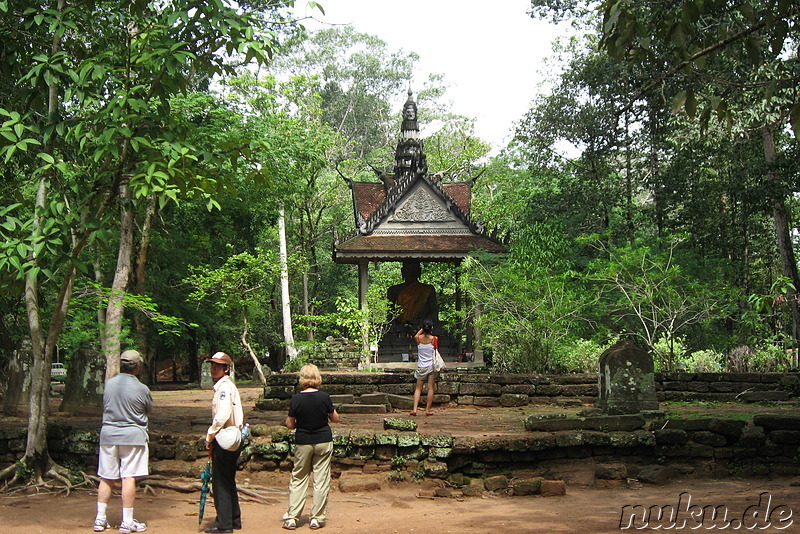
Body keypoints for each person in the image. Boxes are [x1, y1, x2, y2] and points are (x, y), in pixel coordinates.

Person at [93, 350, 153, 534]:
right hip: (133, 436)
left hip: (109, 435)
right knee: (129, 477)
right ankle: (127, 522)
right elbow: (148, 410)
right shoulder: (142, 389)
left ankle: (100, 519)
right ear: (137, 366)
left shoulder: (108, 385)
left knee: (106, 476)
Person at [283, 364, 340, 530]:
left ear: (302, 379)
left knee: (299, 478)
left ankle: (292, 517)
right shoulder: (324, 397)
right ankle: (317, 518)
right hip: (323, 439)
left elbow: (290, 424)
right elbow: (334, 418)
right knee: (321, 480)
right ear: (317, 379)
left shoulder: (296, 399)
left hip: (303, 441)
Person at [204, 352, 244, 534]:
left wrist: (210, 434)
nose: (214, 369)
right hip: (233, 437)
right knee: (228, 480)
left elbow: (222, 414)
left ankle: (224, 524)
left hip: (225, 437)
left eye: (218, 366)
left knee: (220, 482)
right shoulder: (227, 386)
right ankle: (233, 519)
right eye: (212, 366)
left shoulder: (224, 388)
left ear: (226, 369)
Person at [386, 261, 438, 327]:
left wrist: (426, 323)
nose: (411, 273)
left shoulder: (427, 289)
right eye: (408, 270)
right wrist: (392, 325)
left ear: (419, 271)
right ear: (402, 271)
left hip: (422, 325)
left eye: (414, 270)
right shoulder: (394, 290)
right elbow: (390, 312)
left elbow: (434, 311)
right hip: (401, 324)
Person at [411, 318, 438, 416]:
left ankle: (415, 409)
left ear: (422, 327)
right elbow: (435, 349)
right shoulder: (434, 339)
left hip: (421, 367)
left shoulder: (418, 339)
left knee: (418, 389)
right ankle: (427, 410)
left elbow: (416, 335)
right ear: (431, 328)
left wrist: (422, 328)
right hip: (431, 366)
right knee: (430, 388)